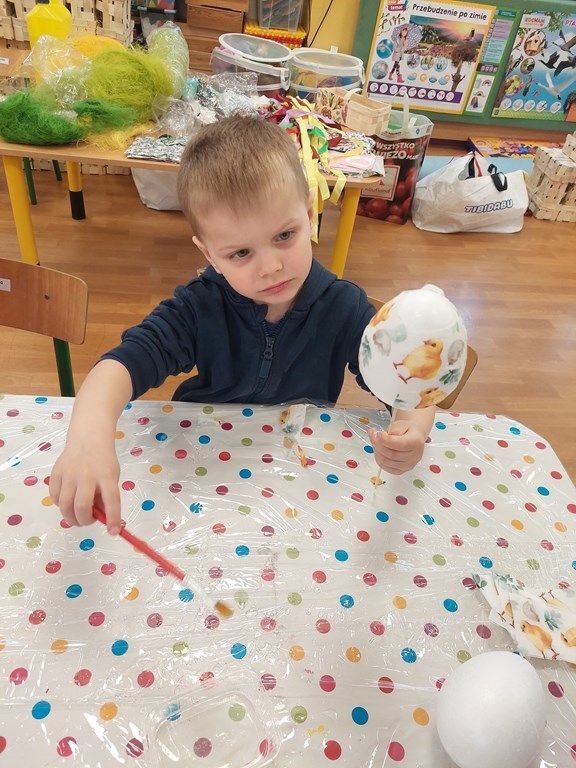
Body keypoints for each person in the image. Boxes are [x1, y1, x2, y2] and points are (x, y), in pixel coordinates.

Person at [49, 116, 435, 535]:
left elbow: (408, 384)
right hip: (200, 468)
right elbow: (121, 365)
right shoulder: (199, 305)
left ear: (309, 216)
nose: (270, 267)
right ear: (210, 255)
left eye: (284, 236)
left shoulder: (344, 306)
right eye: (240, 253)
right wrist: (87, 439)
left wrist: (411, 428)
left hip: (298, 475)